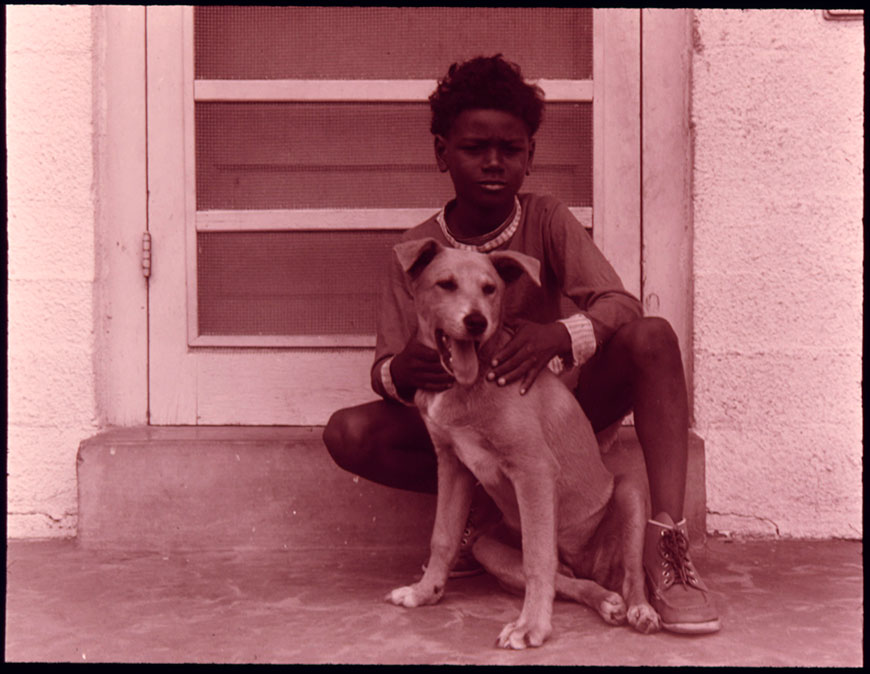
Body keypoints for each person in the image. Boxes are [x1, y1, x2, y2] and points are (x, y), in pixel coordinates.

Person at [323, 54, 720, 635]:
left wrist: (556, 335)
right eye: (474, 148)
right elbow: (383, 368)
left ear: (529, 157)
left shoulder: (547, 218)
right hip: (460, 401)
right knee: (348, 431)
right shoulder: (415, 251)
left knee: (652, 337)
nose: (493, 163)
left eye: (510, 150)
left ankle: (667, 550)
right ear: (441, 153)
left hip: (563, 411)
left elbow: (619, 305)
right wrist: (405, 369)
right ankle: (484, 517)